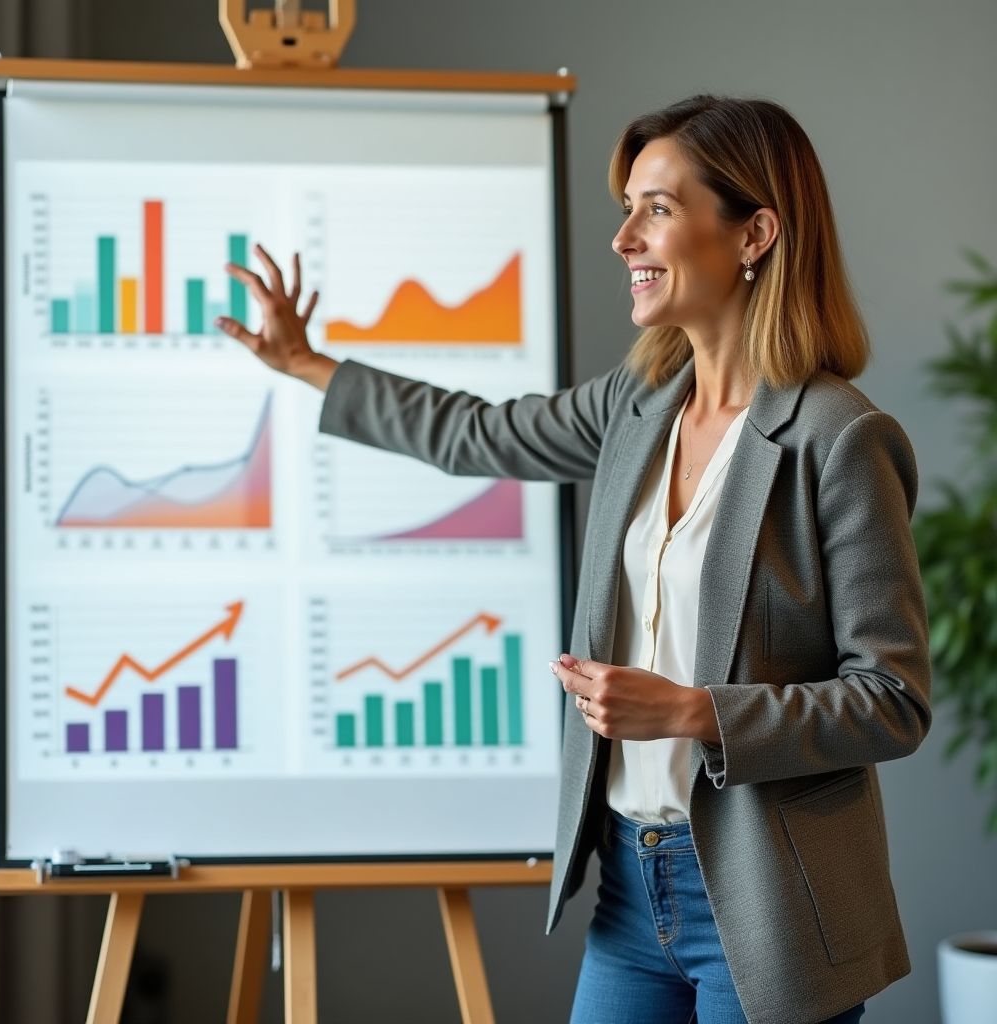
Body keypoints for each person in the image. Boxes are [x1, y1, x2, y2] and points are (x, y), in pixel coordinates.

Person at [216, 94, 931, 1024]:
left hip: (770, 909)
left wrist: (692, 713)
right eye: (627, 208)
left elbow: (893, 700)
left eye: (658, 209)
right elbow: (474, 434)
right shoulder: (639, 405)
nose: (624, 237)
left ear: (754, 233)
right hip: (635, 889)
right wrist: (309, 365)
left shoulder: (840, 439)